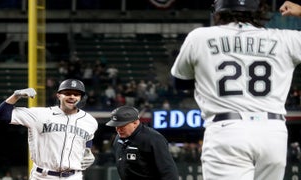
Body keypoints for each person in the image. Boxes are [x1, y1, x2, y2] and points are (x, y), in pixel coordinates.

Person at [170, 0, 301, 179]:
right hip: (273, 133)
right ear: (260, 10)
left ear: (218, 10)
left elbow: (180, 82)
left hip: (226, 130)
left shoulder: (199, 37)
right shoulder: (286, 39)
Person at [0, 79, 98, 179]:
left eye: (76, 94)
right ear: (58, 95)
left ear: (81, 97)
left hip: (74, 176)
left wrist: (88, 150)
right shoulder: (40, 114)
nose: (72, 96)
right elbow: (0, 115)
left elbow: (88, 137)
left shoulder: (90, 121)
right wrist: (16, 96)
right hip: (42, 176)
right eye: (67, 93)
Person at [106, 105, 179, 180]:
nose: (118, 130)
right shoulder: (118, 139)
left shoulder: (153, 139)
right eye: (116, 126)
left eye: (122, 126)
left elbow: (168, 171)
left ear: (135, 123)